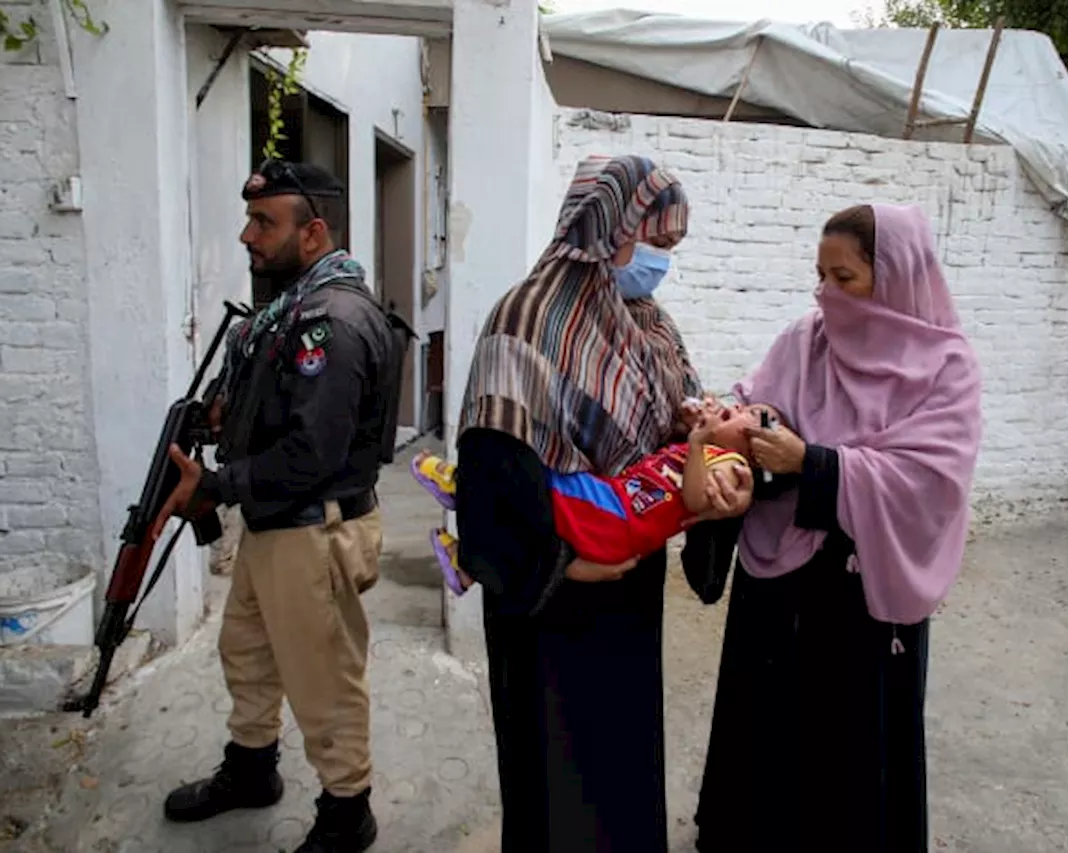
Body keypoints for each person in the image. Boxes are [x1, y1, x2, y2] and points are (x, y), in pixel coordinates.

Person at [453, 154, 753, 852]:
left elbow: (679, 424)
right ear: (608, 227)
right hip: (547, 595)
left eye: (670, 248)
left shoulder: (649, 324)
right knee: (552, 771)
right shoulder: (525, 316)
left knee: (619, 761)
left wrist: (713, 460)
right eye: (656, 241)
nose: (659, 261)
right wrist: (558, 563)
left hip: (627, 585)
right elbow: (491, 468)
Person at [682, 203, 984, 852]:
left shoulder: (945, 367)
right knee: (765, 730)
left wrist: (813, 463)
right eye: (819, 275)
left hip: (858, 597)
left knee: (845, 749)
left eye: (844, 277)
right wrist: (736, 437)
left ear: (896, 277)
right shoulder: (804, 339)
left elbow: (932, 485)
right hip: (777, 584)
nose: (827, 293)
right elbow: (760, 403)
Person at [152, 159, 406, 853]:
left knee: (324, 680)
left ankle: (346, 812)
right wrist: (221, 418)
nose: (247, 234)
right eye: (250, 219)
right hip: (276, 524)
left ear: (314, 233)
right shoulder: (289, 310)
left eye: (264, 222)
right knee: (249, 654)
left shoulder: (334, 320)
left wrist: (216, 487)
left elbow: (313, 453)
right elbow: (278, 408)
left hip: (313, 529)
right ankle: (252, 768)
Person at [409, 401, 772, 595]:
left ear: (758, 451)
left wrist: (696, 443)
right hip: (615, 505)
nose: (740, 407)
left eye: (752, 417)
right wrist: (690, 425)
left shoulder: (731, 466)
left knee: (535, 481)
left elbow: (694, 500)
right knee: (538, 493)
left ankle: (462, 489)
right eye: (745, 406)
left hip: (617, 518)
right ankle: (469, 567)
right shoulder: (710, 449)